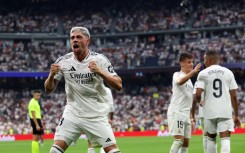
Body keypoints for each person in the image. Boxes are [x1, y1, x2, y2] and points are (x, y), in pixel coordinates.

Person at [44, 26, 122, 153]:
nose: (75, 40)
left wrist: (100, 72)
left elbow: (118, 85)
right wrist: (51, 75)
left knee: (113, 151)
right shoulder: (63, 62)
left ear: (87, 41)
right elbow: (48, 90)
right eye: (72, 38)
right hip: (73, 113)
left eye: (79, 37)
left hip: (95, 114)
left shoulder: (100, 60)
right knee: (54, 151)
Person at [195, 51, 241, 153]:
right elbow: (233, 96)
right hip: (225, 110)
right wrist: (236, 115)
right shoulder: (228, 72)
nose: (204, 62)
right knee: (225, 139)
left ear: (209, 59)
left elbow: (198, 94)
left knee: (211, 139)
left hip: (210, 111)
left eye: (205, 59)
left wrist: (200, 102)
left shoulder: (203, 73)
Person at [167, 52, 201, 153]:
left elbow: (190, 101)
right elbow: (180, 81)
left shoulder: (190, 81)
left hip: (186, 114)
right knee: (178, 141)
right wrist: (193, 72)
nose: (192, 64)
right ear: (182, 63)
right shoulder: (177, 74)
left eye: (192, 62)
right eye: (189, 62)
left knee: (185, 143)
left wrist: (191, 117)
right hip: (177, 112)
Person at [87, 87, 114, 153]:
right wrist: (110, 118)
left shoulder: (89, 88)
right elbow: (111, 106)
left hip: (91, 116)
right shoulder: (107, 90)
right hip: (104, 117)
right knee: (106, 140)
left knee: (90, 141)